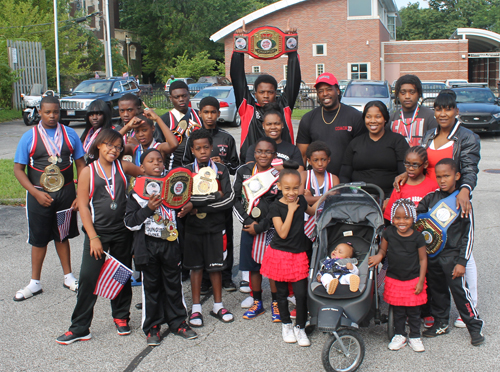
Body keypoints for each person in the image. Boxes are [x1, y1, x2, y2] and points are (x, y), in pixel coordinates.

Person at [394, 90, 481, 327]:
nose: (443, 114)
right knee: (435, 249)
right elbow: (420, 161)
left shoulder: (467, 138)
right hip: (431, 200)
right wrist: (406, 172)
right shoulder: (430, 135)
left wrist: (465, 190)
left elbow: (470, 168)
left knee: (462, 250)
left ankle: (470, 305)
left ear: (456, 111)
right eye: (439, 109)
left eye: (448, 109)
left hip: (453, 199)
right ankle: (437, 307)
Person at [56, 129, 143, 344]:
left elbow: (146, 173)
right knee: (88, 278)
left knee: (121, 275)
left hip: (122, 232)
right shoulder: (88, 171)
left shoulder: (123, 167)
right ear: (98, 145)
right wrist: (93, 237)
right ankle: (80, 327)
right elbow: (83, 206)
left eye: (118, 147)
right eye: (109, 145)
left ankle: (121, 316)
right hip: (98, 235)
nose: (113, 150)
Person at [13, 95, 86, 301]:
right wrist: (35, 193)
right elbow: (18, 169)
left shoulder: (70, 134)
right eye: (47, 112)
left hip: (66, 194)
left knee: (62, 234)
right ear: (40, 112)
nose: (52, 116)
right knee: (39, 238)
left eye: (56, 112)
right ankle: (35, 283)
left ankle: (69, 277)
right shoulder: (30, 136)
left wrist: (80, 194)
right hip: (39, 194)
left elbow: (81, 165)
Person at [124, 148, 197, 345]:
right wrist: (148, 209)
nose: (156, 164)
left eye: (159, 160)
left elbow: (186, 203)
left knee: (174, 285)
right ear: (142, 166)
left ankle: (178, 322)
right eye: (151, 161)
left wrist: (188, 207)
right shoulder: (136, 193)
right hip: (148, 246)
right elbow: (130, 223)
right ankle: (152, 326)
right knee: (151, 287)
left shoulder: (174, 187)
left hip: (170, 242)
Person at [416, 159, 484, 346]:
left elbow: (468, 235)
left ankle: (474, 326)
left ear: (457, 176)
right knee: (438, 291)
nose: (442, 180)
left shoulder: (462, 201)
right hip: (434, 256)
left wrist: (462, 261)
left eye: (446, 176)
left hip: (453, 257)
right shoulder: (430, 198)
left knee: (460, 293)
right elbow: (419, 220)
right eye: (439, 176)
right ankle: (441, 323)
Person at [183, 96, 239, 292]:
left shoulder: (227, 138)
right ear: (200, 113)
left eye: (213, 112)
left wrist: (223, 165)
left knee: (225, 238)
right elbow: (185, 166)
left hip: (219, 199)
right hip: (197, 202)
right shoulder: (193, 136)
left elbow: (235, 167)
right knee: (201, 241)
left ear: (218, 113)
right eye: (205, 112)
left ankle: (226, 276)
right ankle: (205, 279)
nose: (209, 115)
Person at [260, 162, 318, 346]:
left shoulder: (300, 201)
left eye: (295, 188)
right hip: (280, 255)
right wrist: (291, 211)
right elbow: (282, 233)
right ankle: (286, 324)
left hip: (299, 255)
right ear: (279, 187)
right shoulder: (275, 207)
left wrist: (325, 197)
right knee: (282, 294)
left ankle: (300, 327)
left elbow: (312, 210)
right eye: (287, 188)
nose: (291, 192)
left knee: (301, 295)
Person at [184, 129, 235, 328]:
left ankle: (218, 305)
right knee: (195, 268)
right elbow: (183, 200)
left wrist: (196, 207)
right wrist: (213, 197)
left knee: (216, 267)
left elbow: (228, 200)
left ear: (212, 147)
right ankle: (196, 308)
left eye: (206, 147)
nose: (203, 151)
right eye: (198, 148)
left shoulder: (220, 170)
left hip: (216, 227)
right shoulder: (186, 171)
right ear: (192, 150)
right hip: (193, 228)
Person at [231, 21, 301, 163]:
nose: (266, 95)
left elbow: (294, 80)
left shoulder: (284, 106)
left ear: (276, 93)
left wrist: (291, 47)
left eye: (270, 92)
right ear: (255, 93)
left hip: (282, 168)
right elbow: (237, 77)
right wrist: (240, 46)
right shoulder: (247, 108)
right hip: (252, 167)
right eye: (262, 92)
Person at [368, 199, 428, 352]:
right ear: (393, 219)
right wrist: (378, 257)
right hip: (395, 279)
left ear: (413, 218)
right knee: (398, 311)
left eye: (406, 218)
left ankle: (415, 336)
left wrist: (421, 280)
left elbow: (423, 259)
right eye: (398, 218)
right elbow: (383, 251)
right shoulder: (388, 233)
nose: (402, 221)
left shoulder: (418, 237)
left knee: (414, 312)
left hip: (413, 279)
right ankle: (400, 335)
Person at [233, 137, 281, 321]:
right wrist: (247, 222)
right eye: (260, 151)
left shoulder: (278, 175)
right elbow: (235, 199)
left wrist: (262, 225)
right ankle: (257, 301)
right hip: (249, 226)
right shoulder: (244, 171)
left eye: (268, 152)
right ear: (254, 153)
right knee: (253, 266)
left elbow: (279, 204)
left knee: (273, 267)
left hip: (270, 228)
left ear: (274, 155)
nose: (263, 155)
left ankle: (276, 302)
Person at [296, 72, 365, 176]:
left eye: (329, 89)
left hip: (346, 180)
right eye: (320, 91)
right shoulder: (308, 119)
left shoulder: (355, 116)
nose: (325, 94)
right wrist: (300, 182)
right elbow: (302, 156)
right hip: (316, 181)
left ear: (337, 90)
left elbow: (362, 153)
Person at [340, 100, 409, 199]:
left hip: (389, 197)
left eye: (378, 116)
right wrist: (349, 195)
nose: (372, 121)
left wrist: (390, 199)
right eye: (368, 117)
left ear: (385, 118)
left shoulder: (397, 141)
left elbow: (403, 175)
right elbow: (344, 175)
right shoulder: (355, 143)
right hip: (358, 198)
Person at [384, 146, 438, 222]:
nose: (411, 168)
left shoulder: (433, 187)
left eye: (415, 165)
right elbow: (390, 216)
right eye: (407, 164)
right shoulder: (400, 186)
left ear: (425, 164)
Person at [244, 103, 304, 172]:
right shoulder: (253, 149)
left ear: (282, 124)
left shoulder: (293, 149)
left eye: (277, 124)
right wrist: (284, 168)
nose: (273, 127)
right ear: (263, 125)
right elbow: (250, 169)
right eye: (269, 124)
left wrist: (269, 168)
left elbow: (300, 171)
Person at [158, 80, 202, 170]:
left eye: (184, 96)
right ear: (171, 98)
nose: (181, 99)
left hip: (197, 169)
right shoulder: (164, 120)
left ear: (189, 95)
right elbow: (159, 147)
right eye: (177, 97)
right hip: (172, 168)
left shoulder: (200, 116)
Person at [388, 75, 438, 146]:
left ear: (419, 94)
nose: (407, 96)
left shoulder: (430, 116)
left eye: (412, 92)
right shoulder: (392, 118)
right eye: (403, 92)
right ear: (397, 94)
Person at [301, 141, 339, 206]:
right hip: (308, 216)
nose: (320, 164)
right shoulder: (304, 175)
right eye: (316, 160)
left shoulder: (334, 179)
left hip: (328, 215)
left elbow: (336, 201)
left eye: (323, 159)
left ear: (328, 159)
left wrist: (311, 198)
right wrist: (325, 197)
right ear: (309, 161)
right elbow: (300, 199)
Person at [80, 100, 113, 164]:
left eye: (98, 114)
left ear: (105, 115)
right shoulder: (88, 133)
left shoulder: (111, 132)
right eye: (91, 115)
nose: (94, 118)